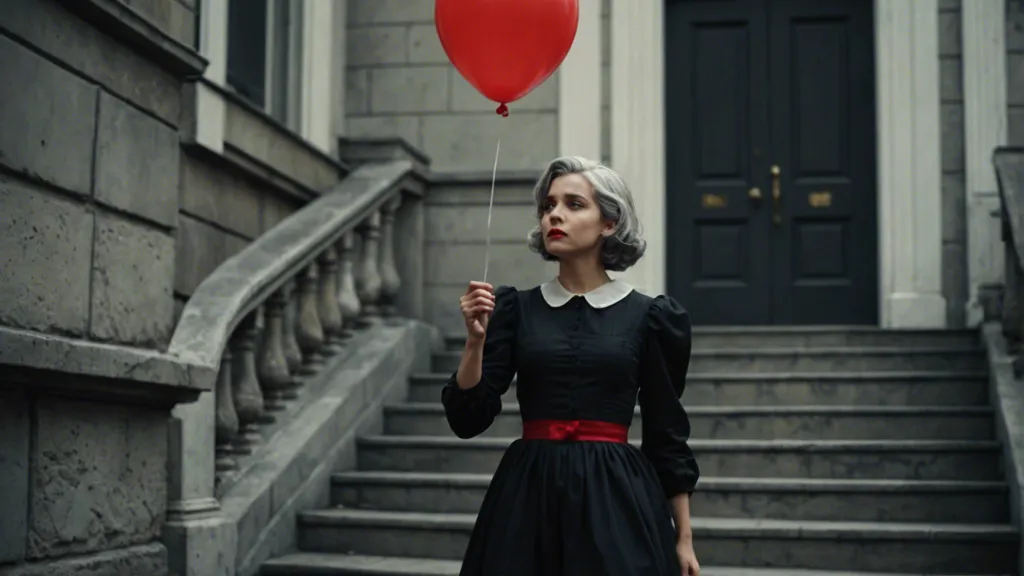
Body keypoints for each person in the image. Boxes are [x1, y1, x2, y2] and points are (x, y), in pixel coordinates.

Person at [442, 156, 700, 576]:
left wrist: (683, 537)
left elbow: (666, 433)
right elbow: (467, 418)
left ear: (609, 223)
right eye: (548, 206)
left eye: (574, 204)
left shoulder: (651, 317)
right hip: (528, 496)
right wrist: (475, 342)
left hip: (616, 497)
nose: (554, 215)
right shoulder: (515, 309)